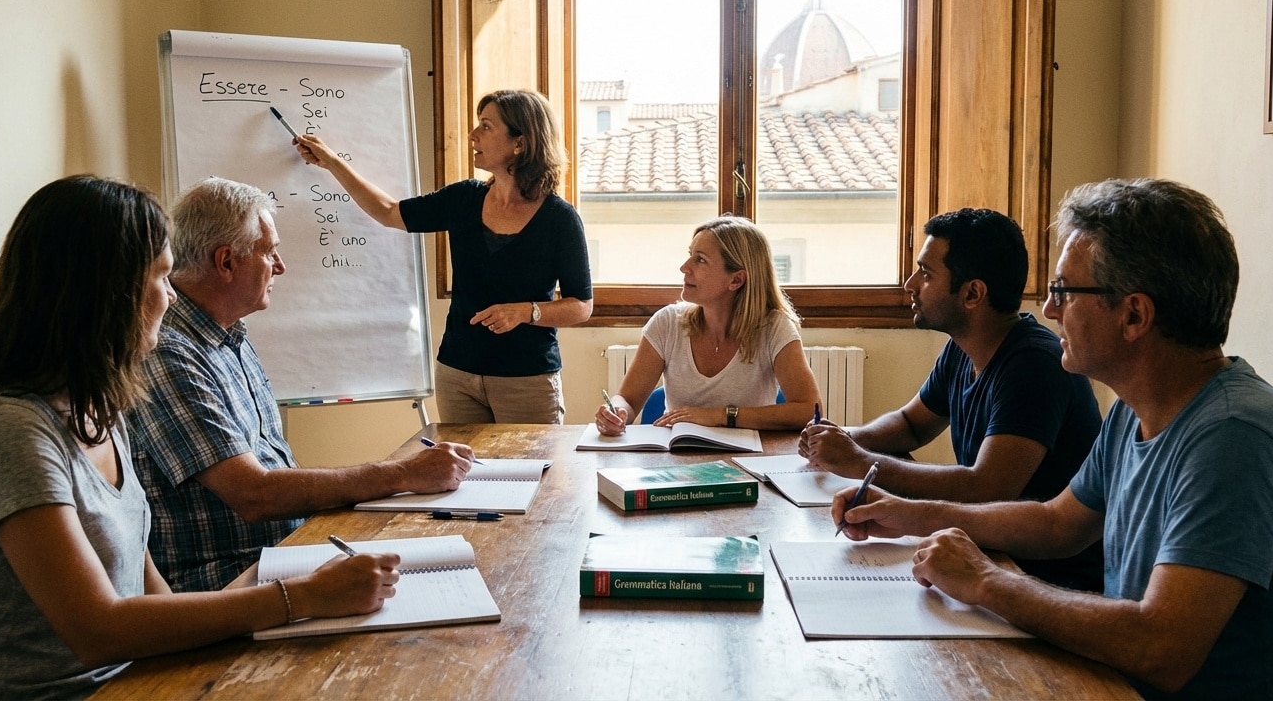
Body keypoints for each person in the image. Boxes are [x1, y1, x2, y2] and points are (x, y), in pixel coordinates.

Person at [835, 179, 1273, 699]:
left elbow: (1163, 648)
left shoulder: (1234, 437)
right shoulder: (1135, 408)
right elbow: (1058, 522)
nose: (1051, 310)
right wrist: (905, 512)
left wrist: (987, 581)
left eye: (1063, 291)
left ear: (1134, 315)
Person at [0, 176, 399, 701]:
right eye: (160, 276)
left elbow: (146, 587)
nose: (172, 293)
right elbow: (99, 630)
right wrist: (302, 598)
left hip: (141, 679)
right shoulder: (8, 430)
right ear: (106, 294)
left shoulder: (97, 411)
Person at [126, 177, 474, 593]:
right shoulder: (170, 353)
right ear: (226, 262)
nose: (280, 266)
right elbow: (254, 495)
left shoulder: (229, 334)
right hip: (227, 581)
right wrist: (402, 473)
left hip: (286, 552)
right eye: (269, 251)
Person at [799, 208, 1103, 591]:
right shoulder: (963, 347)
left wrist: (859, 461)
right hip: (989, 554)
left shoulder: (1034, 364)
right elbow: (911, 424)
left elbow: (987, 488)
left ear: (972, 294)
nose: (910, 284)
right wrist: (843, 438)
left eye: (926, 274)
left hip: (1046, 579)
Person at [294, 89, 593, 424]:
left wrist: (526, 311)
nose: (472, 135)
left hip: (527, 381)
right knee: (461, 476)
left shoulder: (560, 219)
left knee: (534, 476)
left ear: (519, 143)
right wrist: (332, 162)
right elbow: (390, 212)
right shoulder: (464, 198)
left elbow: (581, 305)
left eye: (486, 126)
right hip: (456, 376)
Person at [593, 215, 819, 433]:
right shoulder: (667, 323)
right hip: (678, 460)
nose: (684, 267)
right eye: (690, 254)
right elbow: (628, 400)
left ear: (736, 280)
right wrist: (617, 412)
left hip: (748, 463)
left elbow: (810, 411)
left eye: (700, 259)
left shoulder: (775, 328)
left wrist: (720, 416)